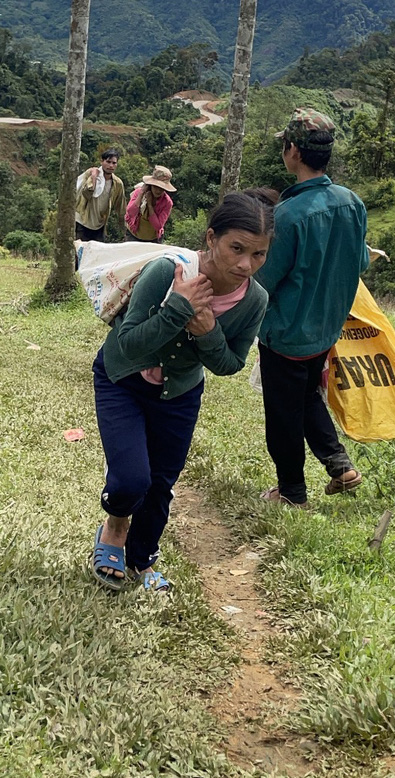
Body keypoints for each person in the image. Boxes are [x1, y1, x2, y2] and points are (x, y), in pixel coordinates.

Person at [91, 189, 274, 593]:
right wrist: (177, 308)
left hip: (180, 396)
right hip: (122, 380)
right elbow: (127, 344)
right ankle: (114, 527)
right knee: (130, 481)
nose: (246, 264)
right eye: (236, 248)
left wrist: (208, 332)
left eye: (258, 254)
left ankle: (141, 560)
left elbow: (230, 364)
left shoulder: (254, 300)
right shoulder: (165, 272)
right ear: (211, 239)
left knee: (161, 484)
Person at [255, 108, 369, 508]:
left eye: (284, 145)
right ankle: (340, 466)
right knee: (306, 397)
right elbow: (360, 262)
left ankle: (291, 494)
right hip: (325, 330)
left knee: (283, 417)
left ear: (293, 151)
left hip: (286, 333)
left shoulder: (288, 215)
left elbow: (263, 280)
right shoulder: (351, 203)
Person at [75, 149, 126, 242]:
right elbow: (86, 193)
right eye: (108, 162)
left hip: (100, 225)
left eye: (114, 163)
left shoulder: (118, 184)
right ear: (102, 162)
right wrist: (94, 177)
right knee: (79, 253)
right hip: (83, 221)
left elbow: (121, 207)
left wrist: (123, 228)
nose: (111, 165)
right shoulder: (90, 174)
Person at [124, 165, 176, 243]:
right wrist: (141, 194)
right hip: (133, 235)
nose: (158, 191)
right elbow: (130, 212)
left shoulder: (167, 202)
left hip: (153, 239)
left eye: (161, 188)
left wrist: (150, 205)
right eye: (156, 187)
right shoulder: (139, 192)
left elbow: (158, 226)